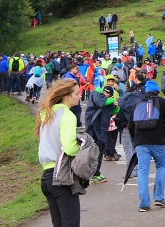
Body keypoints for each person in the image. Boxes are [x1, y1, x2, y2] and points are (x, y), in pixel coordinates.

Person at [36, 80, 81, 227]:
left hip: (46, 177)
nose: (80, 96)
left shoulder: (46, 113)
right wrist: (83, 148)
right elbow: (69, 148)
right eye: (77, 93)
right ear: (66, 97)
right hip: (61, 175)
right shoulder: (67, 115)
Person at [128, 80, 165, 212]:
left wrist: (135, 140)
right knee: (161, 166)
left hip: (141, 142)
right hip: (158, 140)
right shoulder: (163, 102)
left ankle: (144, 204)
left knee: (143, 171)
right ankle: (159, 198)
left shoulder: (137, 103)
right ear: (157, 91)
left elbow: (131, 125)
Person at [85, 85, 118, 184]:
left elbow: (112, 112)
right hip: (93, 130)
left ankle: (96, 173)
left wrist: (116, 107)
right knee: (93, 153)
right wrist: (112, 101)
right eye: (108, 95)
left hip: (101, 130)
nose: (107, 97)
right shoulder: (96, 94)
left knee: (99, 151)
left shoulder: (105, 99)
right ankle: (92, 174)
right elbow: (101, 102)